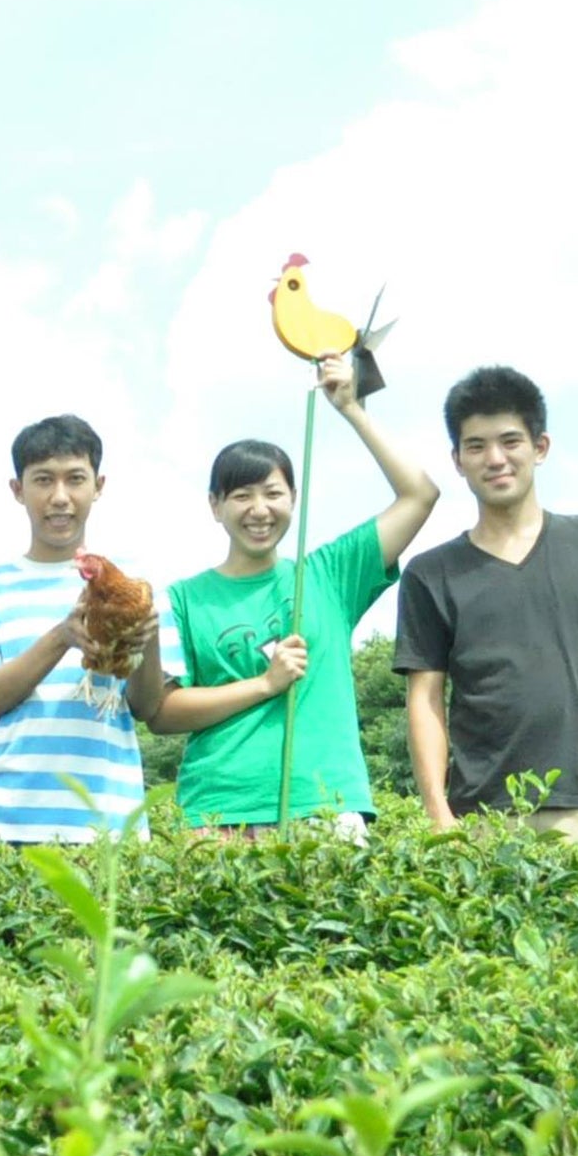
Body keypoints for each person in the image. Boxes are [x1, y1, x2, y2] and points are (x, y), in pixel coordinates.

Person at [392, 366, 578, 838]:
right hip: (483, 816)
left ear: (541, 447)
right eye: (476, 446)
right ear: (458, 460)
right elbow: (425, 699)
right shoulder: (431, 573)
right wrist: (438, 815)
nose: (495, 459)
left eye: (510, 441)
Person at [162, 354, 441, 836]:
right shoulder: (183, 598)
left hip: (325, 803)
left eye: (273, 493)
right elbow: (162, 713)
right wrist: (265, 684)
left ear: (294, 498)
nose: (259, 509)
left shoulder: (330, 574)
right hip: (218, 810)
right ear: (215, 505)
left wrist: (351, 408)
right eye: (241, 496)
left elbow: (419, 495)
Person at [0, 414, 173, 843]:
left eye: (75, 479)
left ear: (98, 485)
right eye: (43, 480)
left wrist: (147, 638)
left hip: (109, 824)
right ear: (17, 489)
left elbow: (147, 707)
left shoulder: (140, 584)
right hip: (4, 823)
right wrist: (62, 637)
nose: (60, 497)